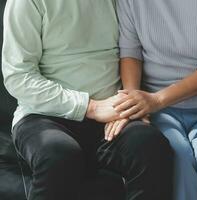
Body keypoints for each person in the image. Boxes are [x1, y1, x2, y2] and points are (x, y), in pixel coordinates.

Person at [1, 0, 174, 200]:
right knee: (59, 155)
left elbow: (131, 51)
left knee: (149, 145)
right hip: (44, 115)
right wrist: (90, 107)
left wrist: (129, 103)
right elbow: (18, 77)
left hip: (111, 115)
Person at [110, 0, 197, 199]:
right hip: (159, 114)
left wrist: (156, 100)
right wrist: (133, 101)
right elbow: (130, 52)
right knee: (175, 158)